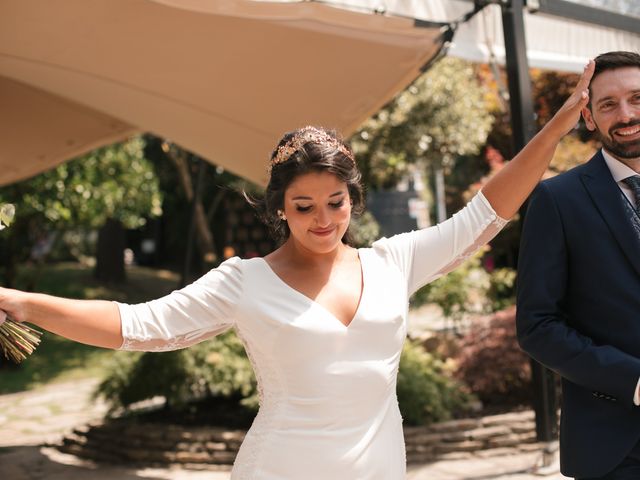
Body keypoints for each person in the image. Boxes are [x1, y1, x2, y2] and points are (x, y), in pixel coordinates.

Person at [0, 60, 593, 479]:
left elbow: (488, 210)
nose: (322, 219)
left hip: (381, 469)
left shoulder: (394, 262)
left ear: (353, 199)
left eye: (335, 203)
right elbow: (136, 323)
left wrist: (563, 119)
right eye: (303, 206)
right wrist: (20, 302)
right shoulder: (243, 282)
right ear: (279, 208)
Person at [516, 50, 640, 480]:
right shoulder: (557, 200)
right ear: (589, 117)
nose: (625, 114)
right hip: (616, 447)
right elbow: (537, 325)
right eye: (608, 104)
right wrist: (633, 381)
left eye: (636, 98)